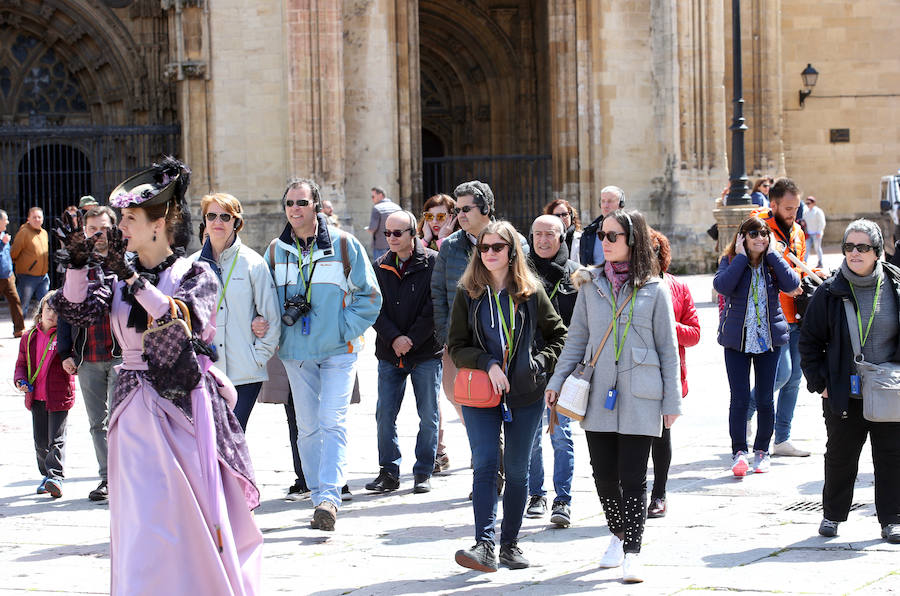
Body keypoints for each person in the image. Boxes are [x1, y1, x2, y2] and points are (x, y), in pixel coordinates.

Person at [52, 158, 262, 594]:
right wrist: (76, 263)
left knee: (184, 510)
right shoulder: (112, 277)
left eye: (129, 219)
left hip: (182, 406)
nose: (120, 228)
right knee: (141, 517)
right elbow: (77, 311)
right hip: (131, 410)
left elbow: (178, 325)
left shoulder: (196, 273)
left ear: (159, 223)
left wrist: (131, 278)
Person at [546, 209, 681, 584]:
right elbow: (575, 339)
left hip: (643, 393)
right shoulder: (589, 284)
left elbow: (668, 349)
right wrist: (556, 381)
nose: (604, 242)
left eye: (613, 236)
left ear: (632, 240)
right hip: (597, 392)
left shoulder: (655, 288)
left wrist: (672, 404)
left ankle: (632, 551)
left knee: (634, 477)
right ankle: (617, 532)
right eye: (602, 235)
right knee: (604, 476)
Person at [449, 220, 566, 573]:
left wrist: (539, 362)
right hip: (481, 394)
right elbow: (456, 346)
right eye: (483, 248)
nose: (488, 254)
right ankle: (484, 544)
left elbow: (559, 336)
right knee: (485, 464)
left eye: (497, 247)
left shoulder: (531, 292)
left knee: (516, 471)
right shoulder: (467, 292)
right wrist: (487, 362)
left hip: (525, 394)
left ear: (512, 251)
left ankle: (510, 544)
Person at [268, 177, 382, 531]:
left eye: (301, 202)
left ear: (316, 206)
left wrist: (343, 329)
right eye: (289, 203)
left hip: (338, 351)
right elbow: (268, 299)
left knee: (332, 420)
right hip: (296, 352)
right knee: (307, 427)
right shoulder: (276, 250)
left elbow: (369, 296)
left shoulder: (344, 245)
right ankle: (318, 494)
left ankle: (329, 498)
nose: (294, 209)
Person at [799, 219, 900, 544]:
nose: (855, 253)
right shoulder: (830, 291)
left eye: (863, 247)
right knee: (841, 455)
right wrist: (821, 384)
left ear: (878, 250)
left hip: (889, 390)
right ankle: (832, 514)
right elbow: (809, 342)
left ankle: (891, 520)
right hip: (845, 391)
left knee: (891, 456)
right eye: (849, 247)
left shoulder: (896, 286)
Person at [431, 180, 529, 477]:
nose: (459, 214)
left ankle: (494, 461)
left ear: (486, 208)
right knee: (459, 395)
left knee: (507, 401)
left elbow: (527, 288)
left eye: (466, 209)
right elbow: (438, 293)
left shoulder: (514, 242)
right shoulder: (450, 247)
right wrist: (446, 336)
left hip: (505, 341)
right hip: (463, 345)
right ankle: (487, 448)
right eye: (457, 209)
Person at [715, 217, 800, 478]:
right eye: (754, 233)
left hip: (768, 341)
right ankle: (739, 452)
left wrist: (773, 254)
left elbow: (792, 284)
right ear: (742, 237)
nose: (760, 238)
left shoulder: (772, 263)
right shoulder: (730, 261)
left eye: (764, 233)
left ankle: (762, 451)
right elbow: (722, 286)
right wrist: (741, 257)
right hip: (737, 341)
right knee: (739, 398)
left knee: (765, 398)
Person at [366, 210, 442, 494]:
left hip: (424, 352)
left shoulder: (433, 262)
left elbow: (435, 306)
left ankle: (423, 470)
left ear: (413, 233)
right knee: (385, 414)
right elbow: (374, 307)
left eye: (397, 233)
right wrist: (394, 338)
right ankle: (388, 470)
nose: (391, 238)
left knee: (429, 414)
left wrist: (410, 339)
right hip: (389, 352)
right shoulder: (379, 265)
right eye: (387, 233)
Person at [192, 192, 281, 430]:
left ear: (236, 222)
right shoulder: (191, 266)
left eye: (225, 216)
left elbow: (271, 317)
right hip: (205, 371)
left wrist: (257, 359)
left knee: (233, 435)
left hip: (245, 373)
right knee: (208, 438)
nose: (218, 222)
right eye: (212, 216)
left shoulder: (253, 263)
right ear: (205, 220)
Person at [56, 206, 122, 502]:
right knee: (98, 423)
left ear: (114, 227)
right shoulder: (78, 264)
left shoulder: (126, 262)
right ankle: (107, 478)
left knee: (124, 422)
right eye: (92, 228)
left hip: (123, 355)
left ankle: (127, 477)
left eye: (103, 227)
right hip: (88, 356)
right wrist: (64, 352)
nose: (98, 233)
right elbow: (65, 310)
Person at [747, 178, 815, 458]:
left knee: (795, 378)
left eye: (796, 207)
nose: (793, 213)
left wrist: (811, 273)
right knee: (782, 373)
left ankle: (782, 438)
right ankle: (745, 412)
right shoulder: (761, 228)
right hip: (774, 314)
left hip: (798, 312)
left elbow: (797, 264)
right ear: (773, 204)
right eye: (787, 208)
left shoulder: (798, 231)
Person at [524, 214, 579, 527]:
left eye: (550, 235)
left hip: (563, 368)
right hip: (529, 367)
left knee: (561, 435)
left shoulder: (576, 275)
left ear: (562, 237)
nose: (543, 241)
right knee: (530, 437)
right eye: (538, 235)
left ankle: (563, 499)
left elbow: (583, 324)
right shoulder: (520, 272)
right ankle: (536, 493)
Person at [646, 229, 700, 518]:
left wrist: (670, 325)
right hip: (634, 373)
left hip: (667, 375)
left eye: (653, 251)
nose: (648, 257)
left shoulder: (678, 288)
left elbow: (694, 334)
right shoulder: (627, 286)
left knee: (661, 436)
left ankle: (659, 494)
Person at [13, 290, 74, 499]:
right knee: (40, 441)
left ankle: (55, 477)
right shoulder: (29, 337)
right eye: (49, 309)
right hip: (36, 397)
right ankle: (45, 475)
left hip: (58, 396)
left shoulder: (64, 339)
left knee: (56, 439)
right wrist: (20, 381)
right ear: (41, 311)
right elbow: (21, 364)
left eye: (58, 312)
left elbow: (73, 360)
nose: (52, 315)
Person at [10, 206, 49, 318]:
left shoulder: (44, 233)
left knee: (45, 304)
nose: (37, 219)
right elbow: (14, 252)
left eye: (39, 217)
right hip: (27, 276)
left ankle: (44, 328)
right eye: (34, 217)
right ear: (28, 218)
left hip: (43, 276)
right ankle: (19, 328)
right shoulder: (24, 232)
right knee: (23, 304)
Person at [579, 185, 625, 265]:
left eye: (610, 201)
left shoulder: (631, 230)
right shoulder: (588, 233)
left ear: (621, 204)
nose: (605, 205)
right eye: (603, 201)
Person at [0, 209, 26, 338]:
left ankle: (19, 329)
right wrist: (1, 243)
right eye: (5, 220)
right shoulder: (2, 239)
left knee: (15, 301)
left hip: (8, 276)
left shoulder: (4, 234)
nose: (8, 222)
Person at [367, 186, 401, 261]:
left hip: (381, 246)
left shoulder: (377, 208)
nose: (372, 199)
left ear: (380, 195)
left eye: (373, 196)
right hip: (396, 244)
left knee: (380, 270)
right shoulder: (397, 207)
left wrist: (368, 229)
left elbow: (372, 228)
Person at [544, 199, 582, 264]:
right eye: (557, 216)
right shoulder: (544, 239)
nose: (561, 218)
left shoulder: (581, 238)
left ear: (571, 215)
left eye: (564, 214)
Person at [804, 196, 827, 268]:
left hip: (816, 233)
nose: (808, 205)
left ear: (813, 203)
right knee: (806, 248)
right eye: (806, 203)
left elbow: (822, 222)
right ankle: (804, 262)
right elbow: (804, 221)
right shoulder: (806, 211)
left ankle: (820, 262)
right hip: (809, 233)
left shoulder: (818, 211)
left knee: (817, 248)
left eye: (809, 203)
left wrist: (819, 232)